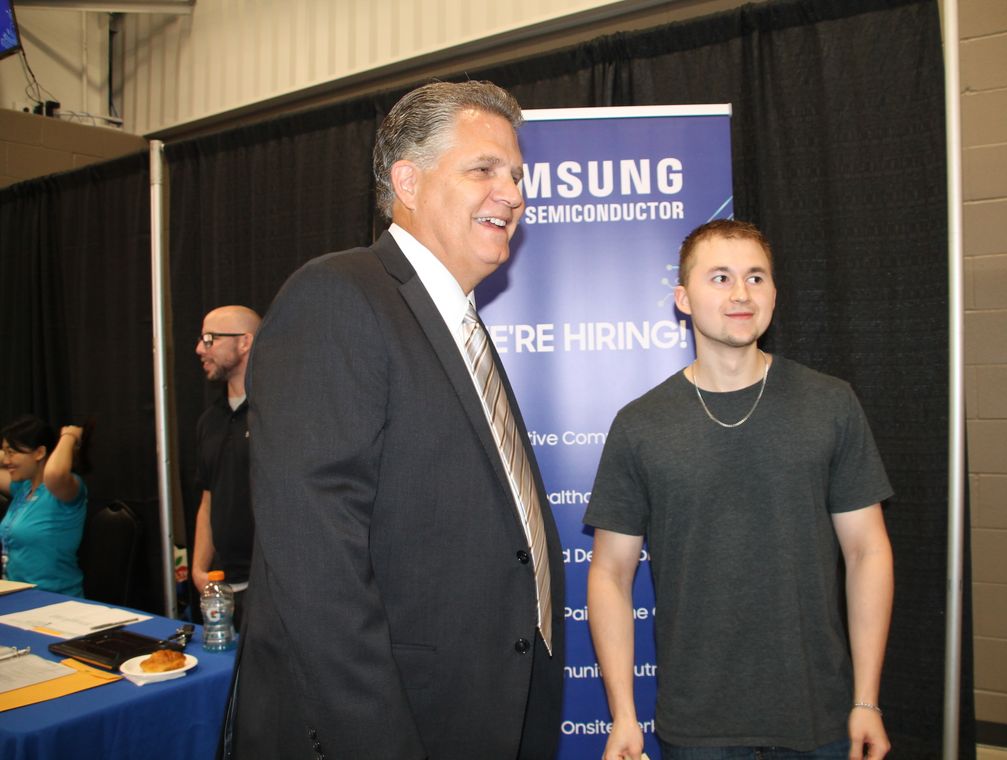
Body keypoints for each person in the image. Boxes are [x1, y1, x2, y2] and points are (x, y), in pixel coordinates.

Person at [225, 80, 565, 760]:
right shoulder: (337, 297)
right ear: (408, 181)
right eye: (484, 170)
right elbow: (317, 564)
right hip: (392, 724)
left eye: (517, 176)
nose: (513, 193)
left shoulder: (461, 325)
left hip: (486, 707)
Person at [585, 220, 895, 760]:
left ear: (774, 292)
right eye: (720, 277)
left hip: (819, 714)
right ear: (683, 298)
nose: (740, 294)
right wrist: (625, 714)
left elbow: (867, 551)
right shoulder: (641, 425)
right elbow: (610, 572)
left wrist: (866, 701)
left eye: (756, 277)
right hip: (696, 723)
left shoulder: (831, 404)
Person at [193, 305, 260, 627]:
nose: (199, 349)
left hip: (266, 588)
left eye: (210, 339)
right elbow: (209, 498)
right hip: (220, 587)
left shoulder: (275, 414)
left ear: (244, 343)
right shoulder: (210, 420)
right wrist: (197, 569)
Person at [0, 415, 88, 596]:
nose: (6, 460)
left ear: (39, 453)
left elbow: (54, 473)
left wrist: (69, 436)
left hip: (55, 599)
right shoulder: (22, 489)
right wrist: (10, 450)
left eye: (12, 453)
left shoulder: (64, 489)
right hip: (19, 597)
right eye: (4, 453)